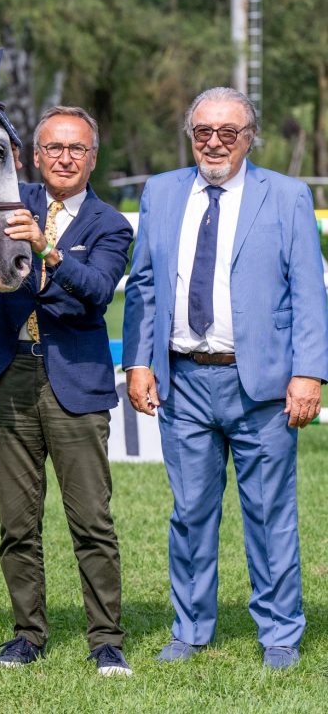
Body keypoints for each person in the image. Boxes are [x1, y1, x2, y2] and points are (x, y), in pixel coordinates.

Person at [123, 87, 328, 670]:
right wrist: (138, 361)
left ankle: (281, 635)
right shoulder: (160, 193)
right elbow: (142, 286)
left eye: (228, 132)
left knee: (269, 515)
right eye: (203, 132)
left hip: (262, 386)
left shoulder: (287, 196)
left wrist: (309, 372)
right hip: (183, 381)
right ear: (191, 135)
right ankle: (189, 629)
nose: (214, 142)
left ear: (250, 137)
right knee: (189, 514)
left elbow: (310, 293)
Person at [0, 106, 134, 676]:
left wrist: (47, 251)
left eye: (77, 149)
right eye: (54, 148)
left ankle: (105, 640)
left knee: (91, 521)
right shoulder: (8, 201)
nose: (65, 158)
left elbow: (94, 291)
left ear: (93, 158)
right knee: (17, 522)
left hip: (76, 383)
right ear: (35, 157)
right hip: (9, 373)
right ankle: (27, 635)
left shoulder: (111, 225)